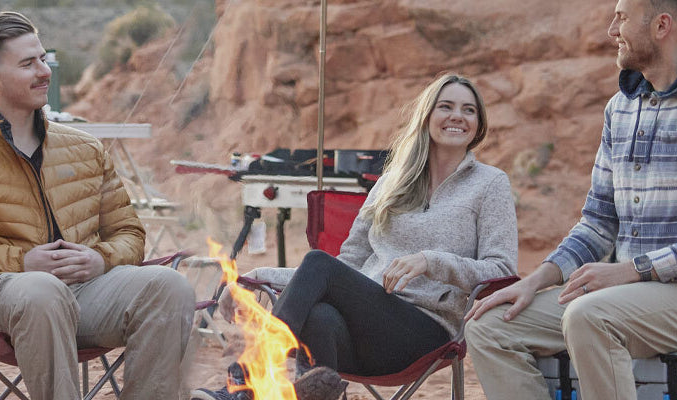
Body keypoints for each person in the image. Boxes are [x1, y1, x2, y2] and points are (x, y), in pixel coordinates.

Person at [463, 0, 677, 398]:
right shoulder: (621, 108)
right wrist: (536, 281)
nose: (611, 30)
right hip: (627, 294)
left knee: (591, 316)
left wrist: (629, 271)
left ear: (661, 25)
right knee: (489, 326)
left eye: (621, 18)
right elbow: (599, 222)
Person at [0, 11, 196, 400]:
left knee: (170, 286)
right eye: (28, 63)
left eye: (43, 59)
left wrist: (99, 259)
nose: (45, 71)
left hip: (85, 292)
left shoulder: (85, 147)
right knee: (41, 291)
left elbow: (129, 233)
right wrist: (22, 262)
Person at [194, 73, 518, 399]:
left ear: (479, 124)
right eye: (445, 106)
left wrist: (430, 262)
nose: (457, 117)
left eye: (469, 110)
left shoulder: (489, 184)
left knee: (317, 263)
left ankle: (244, 384)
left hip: (424, 332)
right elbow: (341, 267)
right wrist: (254, 277)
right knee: (319, 317)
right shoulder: (393, 181)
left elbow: (502, 269)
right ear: (428, 116)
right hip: (363, 330)